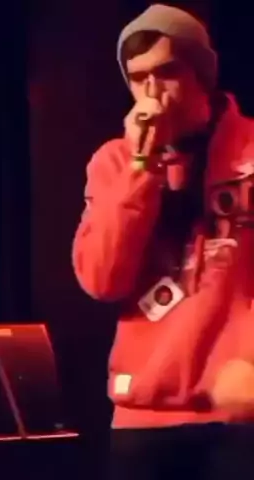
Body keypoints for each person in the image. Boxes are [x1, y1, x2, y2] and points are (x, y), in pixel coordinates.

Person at [72, 4, 254, 480]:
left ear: (202, 75)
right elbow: (102, 280)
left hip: (238, 410)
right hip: (143, 417)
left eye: (168, 72)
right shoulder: (114, 162)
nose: (152, 93)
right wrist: (141, 169)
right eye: (138, 78)